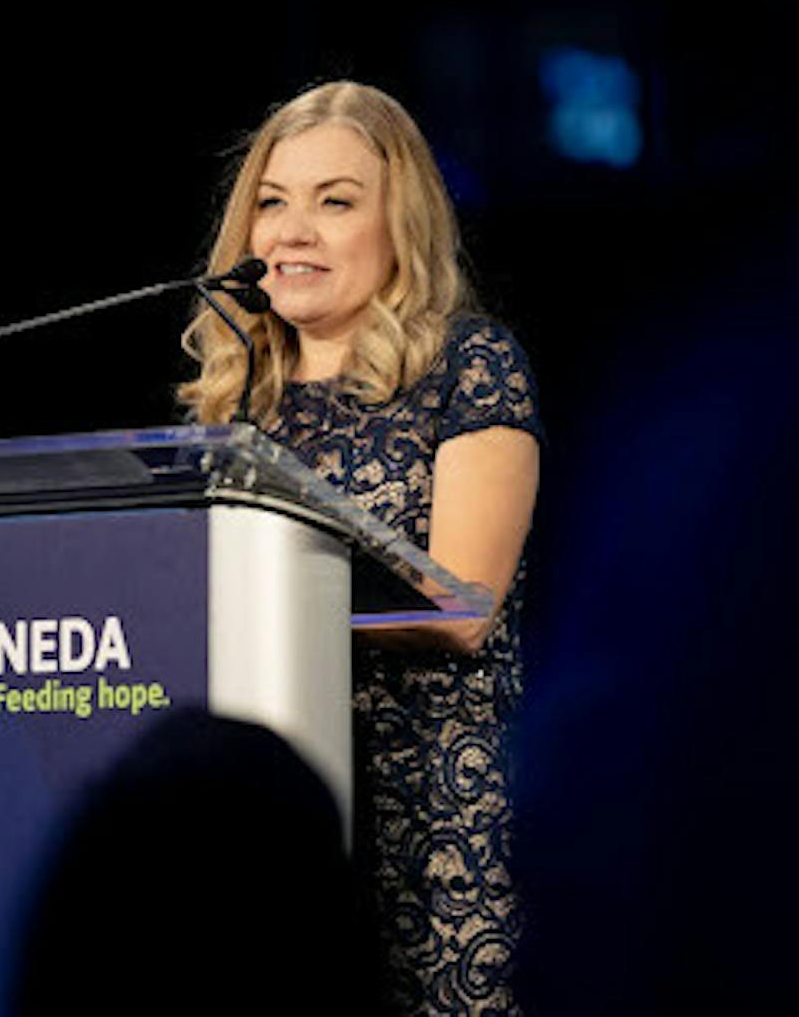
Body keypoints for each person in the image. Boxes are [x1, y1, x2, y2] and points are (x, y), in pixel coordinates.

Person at [179, 80, 543, 1015]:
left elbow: (463, 613)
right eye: (272, 201)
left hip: (433, 836)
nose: (292, 231)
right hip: (271, 837)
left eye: (334, 201)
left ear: (401, 226)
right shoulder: (228, 408)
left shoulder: (469, 365)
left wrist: (268, 606)